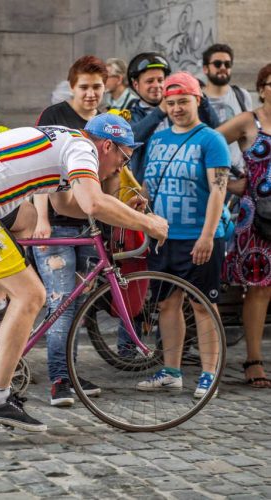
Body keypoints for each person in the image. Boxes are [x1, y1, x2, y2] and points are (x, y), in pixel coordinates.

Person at [0, 113, 169, 431]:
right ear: (107, 146)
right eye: (123, 159)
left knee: (26, 217)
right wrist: (148, 222)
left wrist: (121, 214)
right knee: (32, 295)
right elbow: (93, 204)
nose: (120, 169)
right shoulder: (83, 149)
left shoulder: (67, 143)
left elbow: (67, 206)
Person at [137, 72, 230, 398]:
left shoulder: (211, 139)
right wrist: (142, 213)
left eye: (183, 101)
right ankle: (171, 370)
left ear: (197, 100)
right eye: (171, 102)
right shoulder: (158, 140)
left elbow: (218, 192)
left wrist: (207, 236)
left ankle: (209, 373)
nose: (176, 108)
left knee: (203, 304)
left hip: (199, 236)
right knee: (166, 304)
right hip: (163, 236)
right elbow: (149, 185)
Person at [32, 55, 107, 407]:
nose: (90, 94)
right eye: (84, 87)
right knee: (60, 304)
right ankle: (59, 379)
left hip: (89, 229)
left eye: (97, 87)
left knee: (76, 306)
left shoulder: (105, 122)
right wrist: (41, 219)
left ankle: (71, 373)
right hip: (57, 227)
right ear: (72, 86)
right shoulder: (55, 117)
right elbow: (40, 172)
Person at [218, 63, 271, 388]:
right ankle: (253, 360)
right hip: (259, 219)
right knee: (260, 289)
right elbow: (207, 145)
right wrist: (228, 183)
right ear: (262, 87)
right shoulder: (249, 121)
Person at [126, 52, 220, 183]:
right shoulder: (129, 115)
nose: (157, 85)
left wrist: (200, 97)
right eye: (149, 81)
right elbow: (130, 139)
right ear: (136, 85)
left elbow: (215, 129)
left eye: (160, 80)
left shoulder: (180, 109)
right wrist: (160, 111)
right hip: (147, 189)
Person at [202, 43, 253, 176]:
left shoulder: (242, 95)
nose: (223, 68)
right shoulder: (196, 99)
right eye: (217, 64)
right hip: (207, 175)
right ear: (205, 69)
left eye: (227, 64)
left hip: (238, 176)